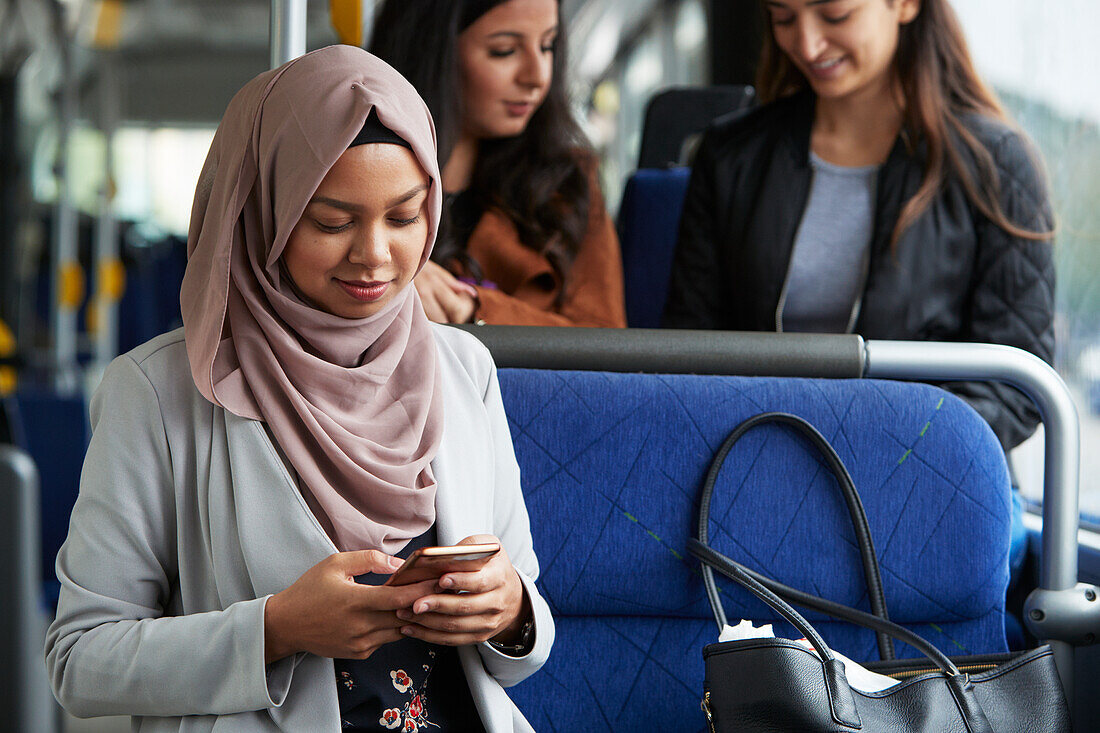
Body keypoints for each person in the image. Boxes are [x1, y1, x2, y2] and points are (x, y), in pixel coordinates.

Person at [44, 45, 553, 733]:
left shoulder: (463, 369)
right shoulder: (158, 393)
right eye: (333, 221)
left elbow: (523, 625)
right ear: (265, 215)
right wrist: (274, 628)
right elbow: (80, 660)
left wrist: (511, 611)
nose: (375, 255)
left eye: (404, 218)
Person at [663, 0, 1055, 452]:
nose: (807, 45)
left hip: (924, 475)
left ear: (905, 5)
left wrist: (879, 445)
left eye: (835, 15)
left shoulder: (995, 166)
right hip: (753, 464)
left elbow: (1014, 386)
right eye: (783, 18)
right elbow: (687, 356)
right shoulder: (729, 157)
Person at [369, 0, 626, 328]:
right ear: (431, 50)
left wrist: (468, 306)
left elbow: (608, 351)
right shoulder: (354, 173)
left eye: (548, 46)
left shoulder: (567, 182)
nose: (537, 76)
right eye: (504, 51)